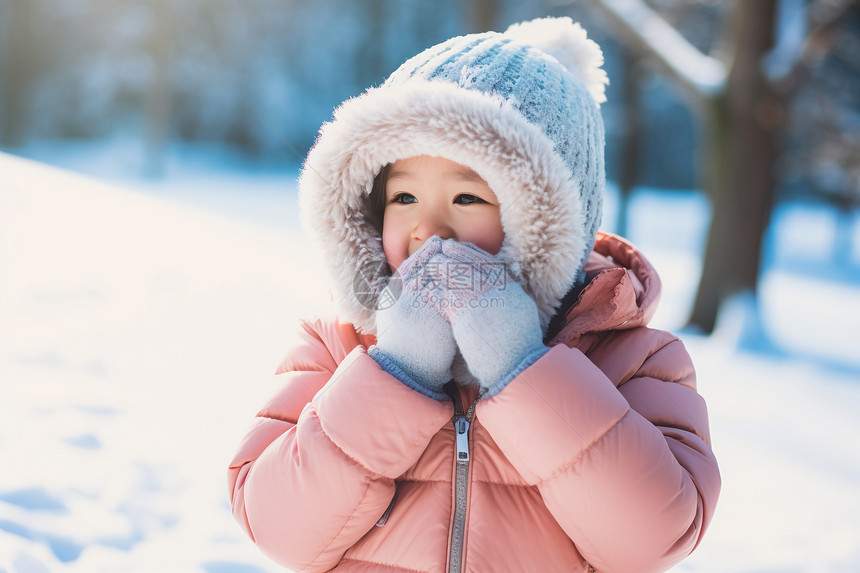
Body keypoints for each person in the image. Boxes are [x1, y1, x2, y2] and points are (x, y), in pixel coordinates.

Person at [227, 16, 720, 573]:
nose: (429, 229)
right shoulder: (335, 345)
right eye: (404, 196)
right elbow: (276, 528)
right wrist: (395, 372)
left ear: (547, 218)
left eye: (466, 198)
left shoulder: (631, 359)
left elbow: (654, 538)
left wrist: (521, 366)